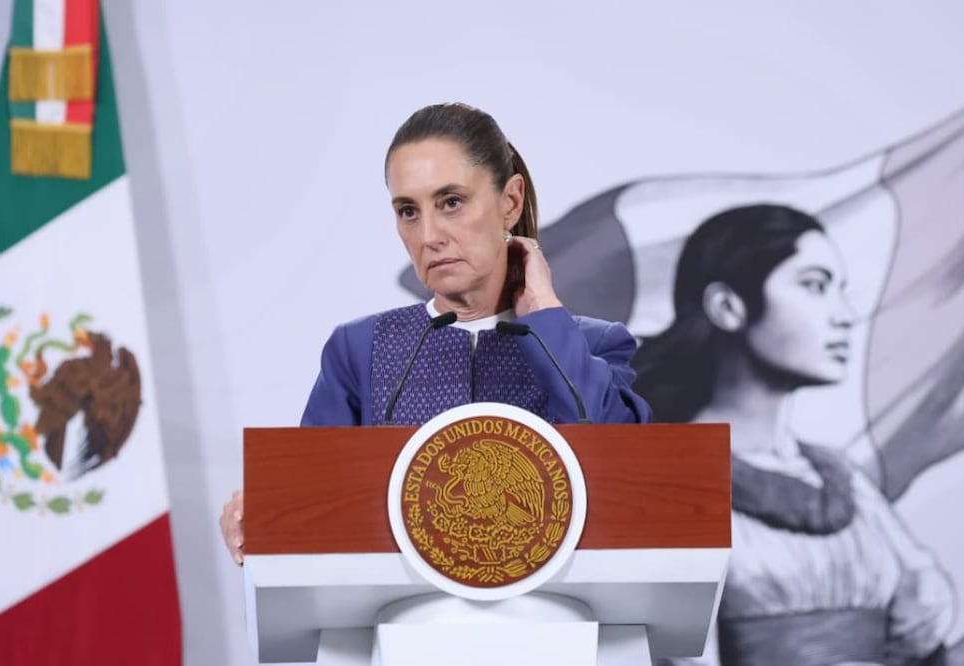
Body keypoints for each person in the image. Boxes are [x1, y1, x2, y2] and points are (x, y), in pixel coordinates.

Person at [219, 102, 652, 565]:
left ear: (510, 202)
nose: (428, 235)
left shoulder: (593, 345)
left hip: (560, 628)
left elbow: (625, 483)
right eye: (408, 211)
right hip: (399, 630)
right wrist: (259, 515)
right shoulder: (361, 350)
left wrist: (544, 313)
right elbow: (311, 507)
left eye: (451, 202)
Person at [632, 204, 964, 665]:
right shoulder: (658, 486)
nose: (844, 315)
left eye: (842, 291)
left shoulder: (845, 484)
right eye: (815, 286)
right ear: (728, 307)